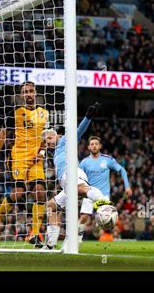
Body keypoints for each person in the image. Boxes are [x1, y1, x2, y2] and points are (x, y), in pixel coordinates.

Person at [0, 81, 49, 247]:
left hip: (36, 159)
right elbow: (3, 133)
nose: (28, 94)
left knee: (40, 193)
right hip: (19, 156)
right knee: (18, 193)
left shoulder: (44, 113)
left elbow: (45, 139)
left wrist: (41, 153)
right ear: (21, 95)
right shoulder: (15, 112)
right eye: (25, 91)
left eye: (31, 91)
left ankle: (35, 234)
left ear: (35, 93)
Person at [41, 103, 112, 249]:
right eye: (45, 141)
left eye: (49, 138)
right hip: (65, 181)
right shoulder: (53, 153)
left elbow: (79, 131)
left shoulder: (64, 141)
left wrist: (88, 117)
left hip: (72, 173)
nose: (47, 142)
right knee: (51, 206)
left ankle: (103, 203)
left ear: (57, 136)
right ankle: (50, 244)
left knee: (80, 189)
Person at [78, 136, 131, 243]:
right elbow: (78, 178)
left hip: (103, 195)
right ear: (88, 147)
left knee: (106, 218)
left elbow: (122, 170)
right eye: (92, 144)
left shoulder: (107, 160)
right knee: (84, 217)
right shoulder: (84, 162)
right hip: (88, 193)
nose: (94, 146)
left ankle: (111, 236)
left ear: (100, 146)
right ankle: (78, 239)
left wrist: (127, 186)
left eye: (96, 144)